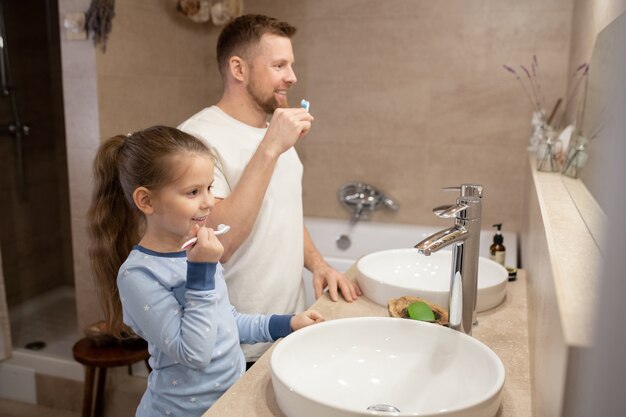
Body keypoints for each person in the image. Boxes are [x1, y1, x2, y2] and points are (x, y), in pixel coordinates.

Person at [87, 125, 323, 416]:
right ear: (146, 201)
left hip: (226, 404)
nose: (209, 202)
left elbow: (226, 323)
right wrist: (201, 271)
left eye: (209, 187)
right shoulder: (138, 275)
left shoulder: (195, 249)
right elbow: (195, 353)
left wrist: (287, 324)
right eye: (193, 192)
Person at [178, 13, 361, 363]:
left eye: (290, 65)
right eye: (279, 65)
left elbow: (284, 209)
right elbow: (219, 242)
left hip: (289, 326)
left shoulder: (273, 130)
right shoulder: (195, 140)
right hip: (236, 341)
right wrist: (270, 148)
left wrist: (319, 264)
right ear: (239, 69)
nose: (292, 77)